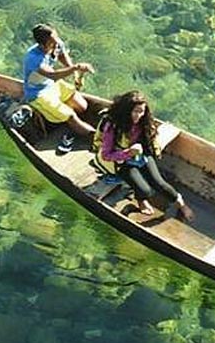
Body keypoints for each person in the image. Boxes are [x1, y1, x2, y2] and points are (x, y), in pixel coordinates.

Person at [95, 90, 193, 220]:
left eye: (141, 111)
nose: (139, 115)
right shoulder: (113, 126)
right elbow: (106, 154)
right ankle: (141, 200)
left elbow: (149, 140)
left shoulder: (143, 121)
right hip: (119, 161)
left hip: (140, 156)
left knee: (159, 183)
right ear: (126, 110)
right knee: (145, 190)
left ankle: (180, 203)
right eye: (135, 111)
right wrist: (127, 153)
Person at [23, 23, 95, 151]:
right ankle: (95, 138)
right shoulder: (33, 58)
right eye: (52, 41)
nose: (57, 43)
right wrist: (76, 67)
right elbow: (53, 75)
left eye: (56, 38)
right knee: (71, 116)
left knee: (82, 107)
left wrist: (76, 74)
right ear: (42, 44)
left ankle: (66, 121)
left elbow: (62, 55)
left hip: (52, 85)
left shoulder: (56, 43)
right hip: (38, 93)